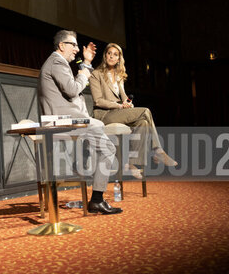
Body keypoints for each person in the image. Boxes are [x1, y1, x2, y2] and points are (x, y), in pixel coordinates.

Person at [38, 29, 122, 215]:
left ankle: (87, 166)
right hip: (61, 123)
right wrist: (84, 70)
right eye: (73, 45)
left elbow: (72, 89)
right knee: (107, 146)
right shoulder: (56, 63)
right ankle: (96, 197)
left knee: (102, 137)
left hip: (67, 120)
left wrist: (85, 64)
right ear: (61, 45)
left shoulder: (58, 63)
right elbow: (72, 89)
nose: (76, 48)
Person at [89, 43, 177, 177]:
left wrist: (127, 104)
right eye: (109, 53)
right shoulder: (96, 74)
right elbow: (98, 101)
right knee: (145, 111)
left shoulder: (118, 75)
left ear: (119, 59)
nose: (111, 56)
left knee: (143, 123)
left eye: (115, 54)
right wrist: (119, 105)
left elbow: (123, 97)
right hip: (103, 115)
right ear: (105, 55)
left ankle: (130, 163)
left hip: (117, 113)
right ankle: (158, 150)